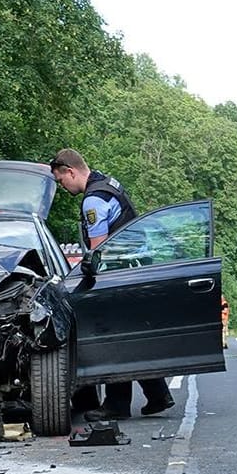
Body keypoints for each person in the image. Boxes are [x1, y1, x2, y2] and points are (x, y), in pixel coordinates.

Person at [49, 148, 174, 418]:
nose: (62, 187)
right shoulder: (108, 183)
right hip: (134, 270)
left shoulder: (92, 201)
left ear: (70, 172)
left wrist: (81, 280)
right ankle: (158, 395)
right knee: (131, 337)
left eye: (61, 181)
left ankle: (117, 406)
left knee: (111, 339)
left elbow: (98, 250)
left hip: (116, 275)